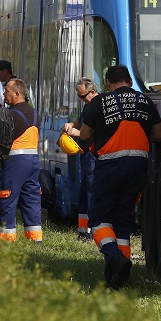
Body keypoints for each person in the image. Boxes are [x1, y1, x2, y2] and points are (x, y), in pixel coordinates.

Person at [80, 65, 161, 289]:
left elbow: (86, 135)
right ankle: (118, 277)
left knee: (98, 220)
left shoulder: (100, 102)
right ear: (129, 81)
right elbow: (158, 134)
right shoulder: (145, 101)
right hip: (139, 167)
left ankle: (114, 258)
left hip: (110, 167)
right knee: (122, 220)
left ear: (108, 82)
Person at [0, 78, 41, 242]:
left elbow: (1, 141)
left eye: (7, 91)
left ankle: (7, 238)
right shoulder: (35, 113)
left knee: (8, 198)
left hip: (15, 163)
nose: (4, 94)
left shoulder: (10, 115)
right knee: (32, 199)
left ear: (17, 94)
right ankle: (35, 237)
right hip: (33, 161)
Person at [62, 77, 99, 241]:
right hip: (86, 156)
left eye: (83, 96)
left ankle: (91, 231)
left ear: (93, 91)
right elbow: (81, 122)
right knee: (84, 194)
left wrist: (76, 133)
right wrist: (72, 124)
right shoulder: (88, 106)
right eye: (79, 96)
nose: (81, 99)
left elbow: (95, 133)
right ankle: (83, 230)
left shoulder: (98, 106)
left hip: (93, 156)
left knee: (92, 193)